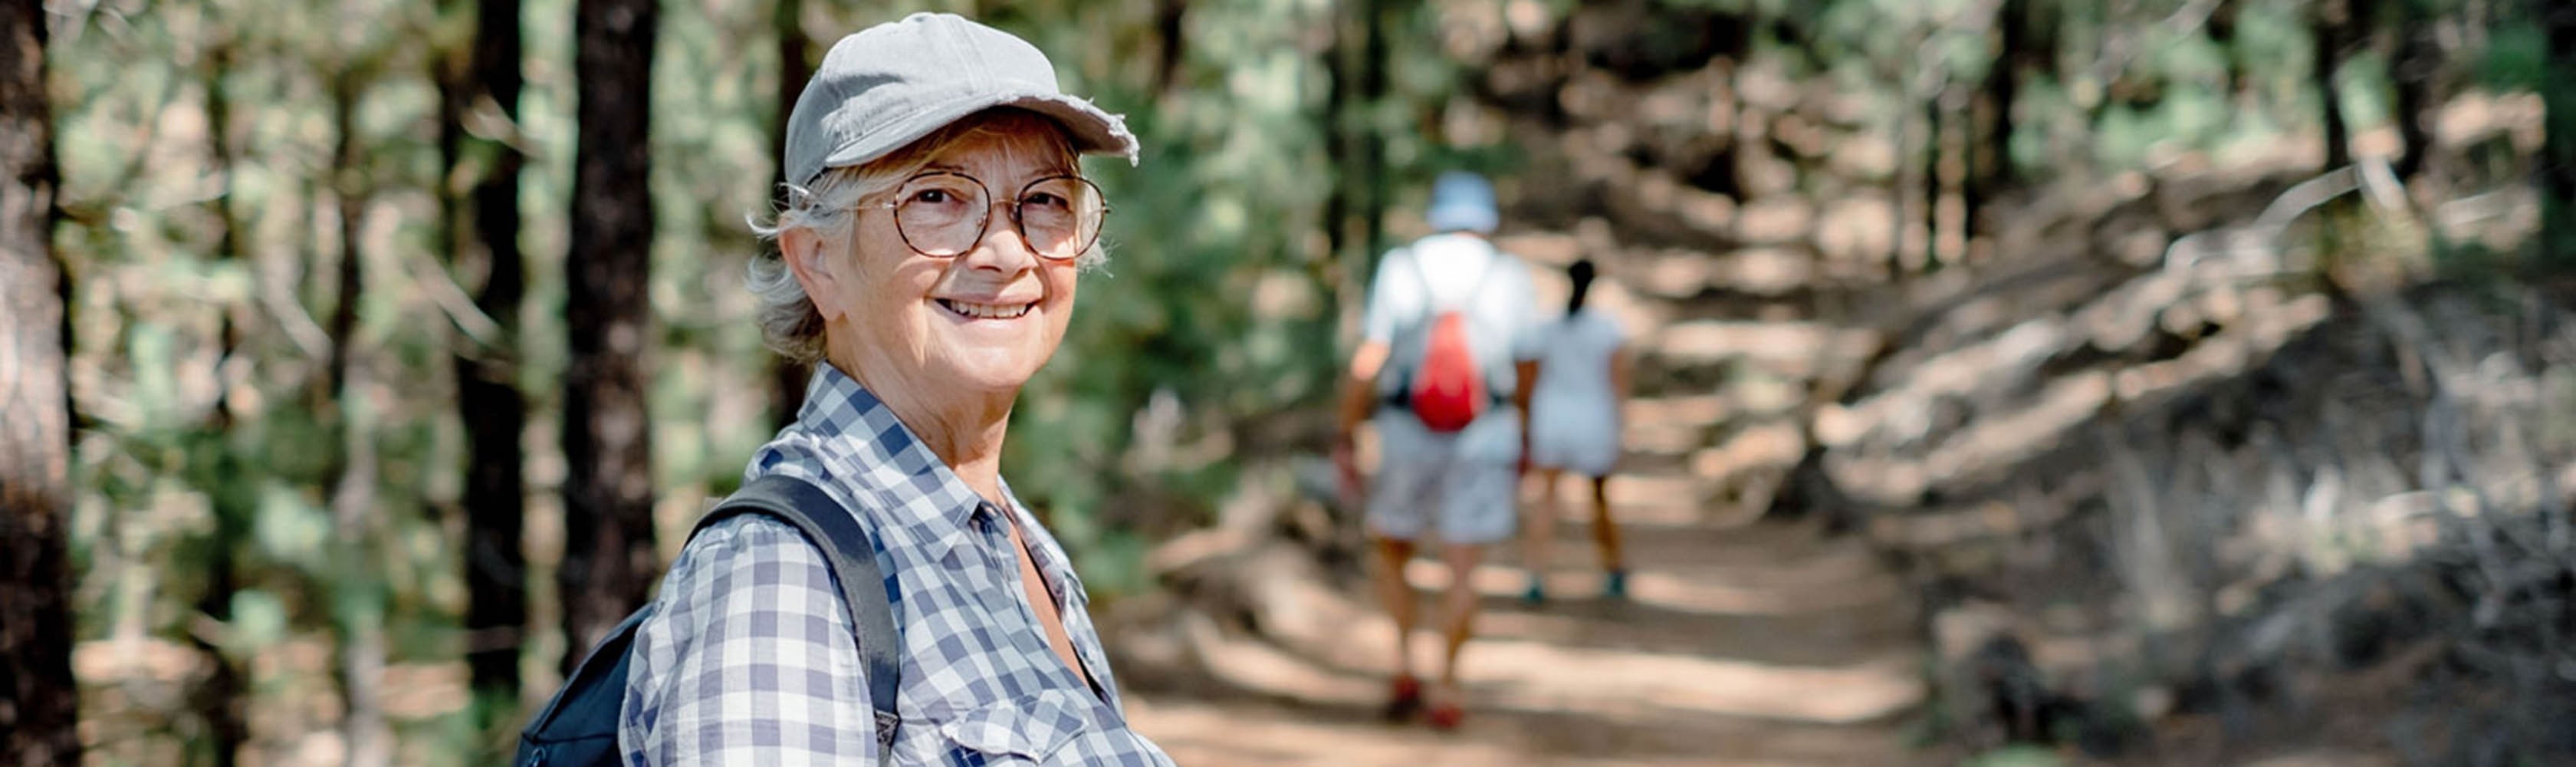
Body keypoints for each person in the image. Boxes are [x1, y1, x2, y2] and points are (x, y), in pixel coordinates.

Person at [616, 14, 1174, 765]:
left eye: (1044, 199)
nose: (1008, 252)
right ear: (818, 262)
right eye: (938, 197)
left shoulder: (1008, 536)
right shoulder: (780, 585)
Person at [1333, 171, 1543, 731]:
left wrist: (1347, 429)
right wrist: (1527, 433)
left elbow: (1370, 356)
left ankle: (1404, 662)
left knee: (1394, 549)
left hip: (1405, 432)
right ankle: (1449, 685)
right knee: (1463, 566)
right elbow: (1527, 367)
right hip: (1485, 432)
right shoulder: (1510, 275)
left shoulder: (1404, 267)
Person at [1519, 258, 1633, 604]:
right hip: (1594, 419)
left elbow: (1528, 380)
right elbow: (1619, 382)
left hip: (1552, 417)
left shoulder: (1546, 327)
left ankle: (1536, 573)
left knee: (1547, 498)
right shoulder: (1608, 329)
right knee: (1599, 498)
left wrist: (1525, 421)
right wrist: (1620, 423)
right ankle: (1612, 567)